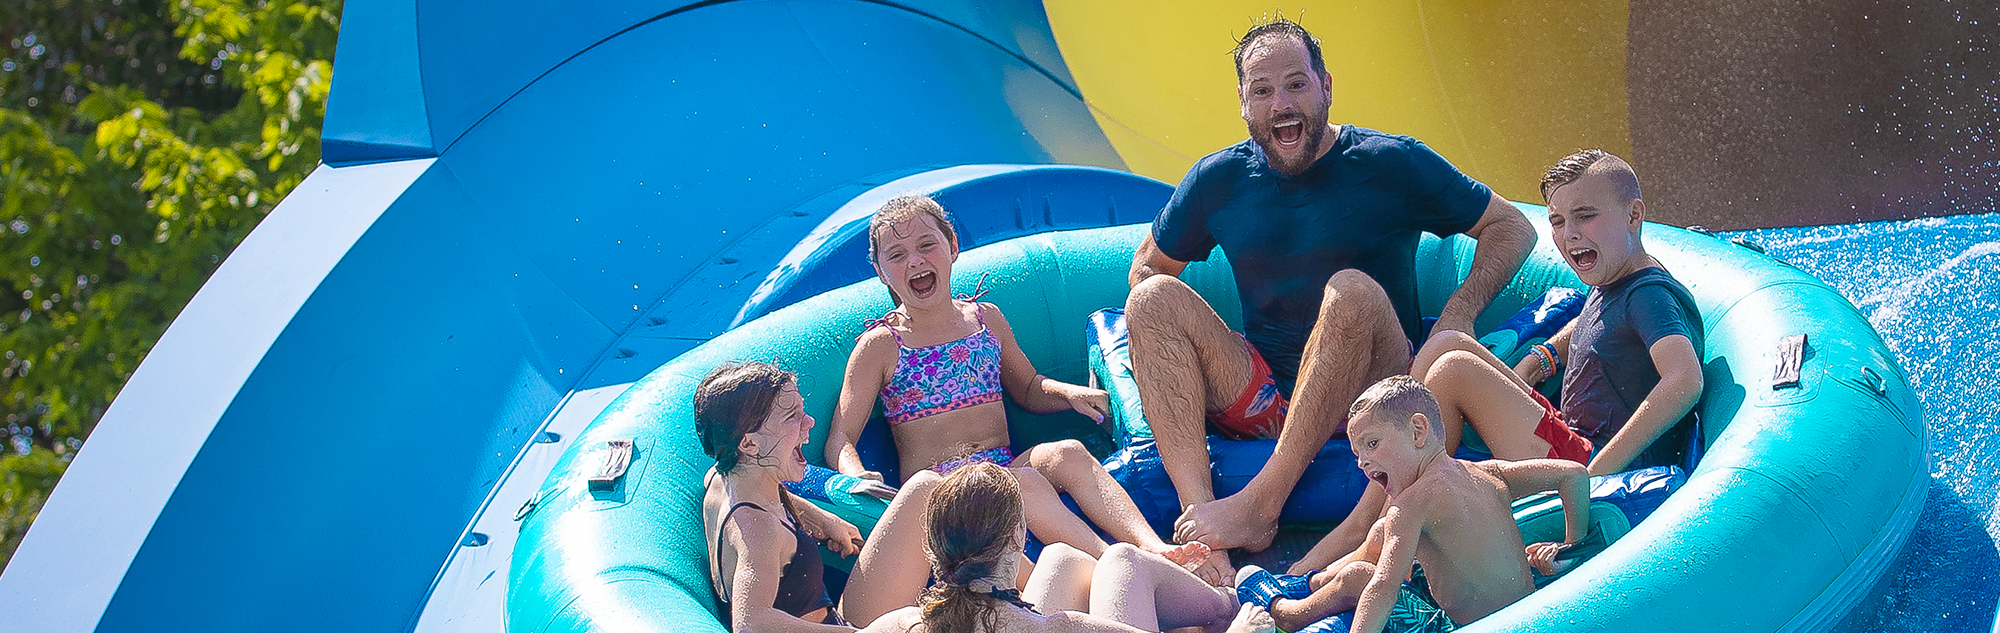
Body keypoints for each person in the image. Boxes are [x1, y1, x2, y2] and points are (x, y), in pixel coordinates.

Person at [1122, 17, 1536, 570]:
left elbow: (1512, 227)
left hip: (1374, 389)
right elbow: (1148, 267)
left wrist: (1453, 320)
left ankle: (1259, 505)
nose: (1281, 105)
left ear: (1327, 87)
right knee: (1149, 300)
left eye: (1296, 84)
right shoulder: (1218, 180)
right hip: (1266, 396)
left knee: (1350, 291)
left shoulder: (1391, 162)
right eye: (1262, 91)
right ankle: (1204, 536)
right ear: (1243, 102)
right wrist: (1170, 362)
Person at [824, 195, 1216, 582]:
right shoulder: (881, 345)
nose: (915, 261)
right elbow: (841, 436)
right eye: (896, 255)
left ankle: (1152, 547)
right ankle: (1118, 566)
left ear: (953, 246)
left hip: (1002, 465)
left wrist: (1070, 394)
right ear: (880, 271)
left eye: (927, 245)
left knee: (1068, 452)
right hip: (942, 493)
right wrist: (858, 476)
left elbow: (1028, 388)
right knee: (1024, 484)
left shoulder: (984, 319)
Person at [1407, 149, 1705, 477]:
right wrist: (1538, 363)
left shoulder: (1648, 296)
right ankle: (1395, 493)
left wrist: (1596, 473)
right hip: (1569, 436)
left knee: (1453, 370)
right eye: (1557, 221)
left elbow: (1685, 379)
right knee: (1447, 343)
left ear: (1633, 216)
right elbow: (1596, 321)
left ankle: (1406, 500)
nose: (1569, 234)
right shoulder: (1616, 272)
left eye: (1585, 215)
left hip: (1585, 462)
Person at [1253, 376, 1592, 633]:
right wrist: (1569, 545)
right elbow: (1574, 475)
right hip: (1530, 618)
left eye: (1372, 444)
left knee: (1358, 576)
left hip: (1461, 629)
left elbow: (1383, 587)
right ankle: (1312, 580)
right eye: (1357, 454)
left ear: (1418, 430)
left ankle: (1283, 610)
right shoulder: (1490, 473)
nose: (1362, 462)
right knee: (1381, 533)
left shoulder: (1412, 505)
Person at [859, 462, 1274, 633]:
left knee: (1060, 558)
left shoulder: (904, 624)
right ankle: (1229, 607)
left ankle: (1221, 603)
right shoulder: (1059, 628)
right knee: (1124, 559)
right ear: (1017, 537)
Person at [699, 361, 941, 630]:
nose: (810, 422)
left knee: (924, 487)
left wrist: (822, 519)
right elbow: (752, 624)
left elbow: (763, 495)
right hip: (852, 629)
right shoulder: (758, 531)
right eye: (792, 416)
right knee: (915, 621)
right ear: (749, 443)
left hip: (836, 622)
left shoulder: (722, 478)